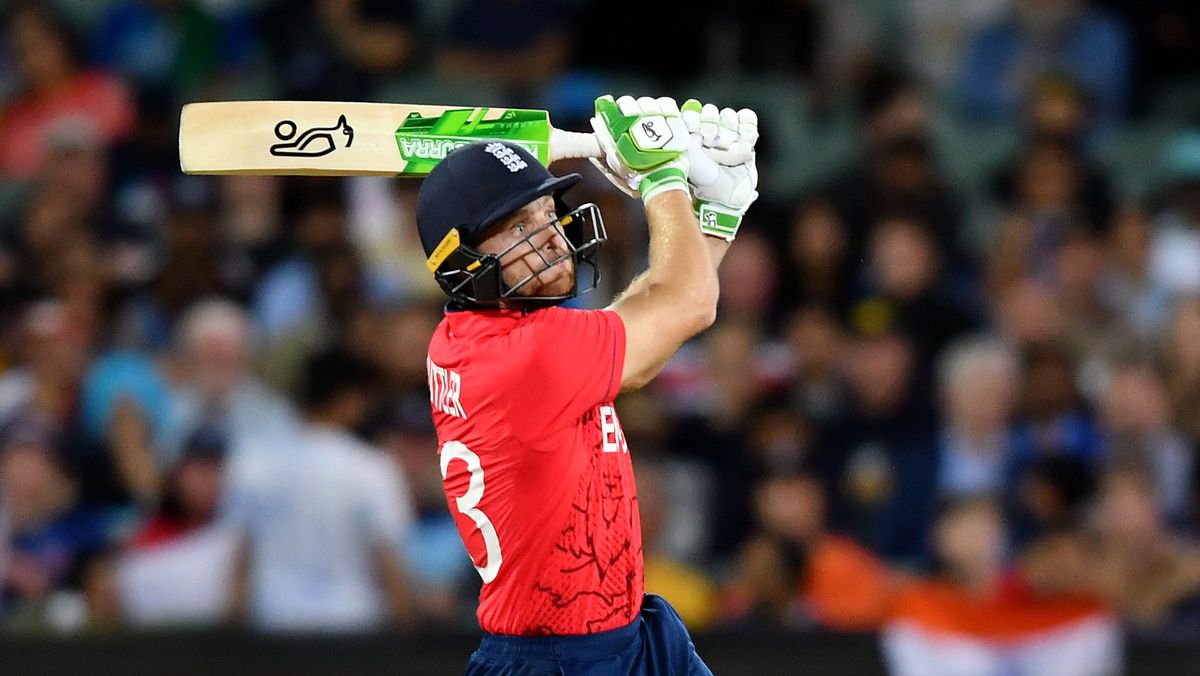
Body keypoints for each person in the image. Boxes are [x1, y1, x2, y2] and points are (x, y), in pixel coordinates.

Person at [418, 96, 758, 674]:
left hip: (624, 632)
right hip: (557, 658)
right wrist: (660, 174)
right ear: (463, 259)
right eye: (518, 226)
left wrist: (715, 214)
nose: (549, 235)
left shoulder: (494, 333)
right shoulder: (523, 358)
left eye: (548, 213)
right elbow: (688, 303)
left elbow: (653, 323)